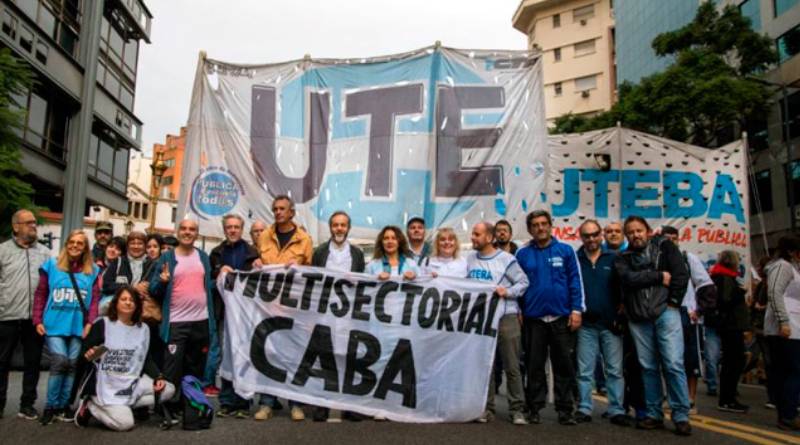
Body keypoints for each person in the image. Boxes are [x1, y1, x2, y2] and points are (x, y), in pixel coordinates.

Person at [614, 216, 691, 436]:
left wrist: (674, 303)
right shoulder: (623, 257)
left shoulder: (665, 247)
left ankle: (681, 415)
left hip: (666, 313)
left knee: (673, 364)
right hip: (638, 317)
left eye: (639, 230)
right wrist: (658, 276)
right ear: (626, 236)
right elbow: (628, 279)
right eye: (630, 232)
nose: (635, 235)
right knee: (648, 367)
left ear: (647, 231)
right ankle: (655, 414)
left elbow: (679, 275)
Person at [516, 210, 583, 426]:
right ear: (529, 229)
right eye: (535, 225)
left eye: (544, 223)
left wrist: (577, 310)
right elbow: (516, 284)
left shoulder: (565, 251)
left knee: (564, 366)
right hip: (533, 319)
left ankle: (565, 410)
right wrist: (518, 310)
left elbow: (575, 281)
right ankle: (533, 408)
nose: (540, 228)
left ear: (550, 225)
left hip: (561, 317)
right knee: (534, 366)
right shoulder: (522, 254)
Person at [74, 286, 174, 431]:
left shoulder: (144, 329)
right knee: (126, 424)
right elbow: (84, 356)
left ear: (137, 305)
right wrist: (89, 354)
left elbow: (145, 358)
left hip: (131, 381)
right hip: (106, 383)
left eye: (132, 300)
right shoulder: (103, 324)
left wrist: (158, 376)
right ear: (116, 303)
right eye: (124, 299)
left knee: (168, 389)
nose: (128, 303)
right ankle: (91, 406)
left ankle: (120, 406)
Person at [148, 219, 218, 412]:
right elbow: (153, 289)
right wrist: (162, 282)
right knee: (172, 368)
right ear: (178, 232)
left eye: (192, 229)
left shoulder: (203, 257)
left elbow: (207, 286)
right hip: (176, 323)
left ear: (197, 234)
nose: (187, 232)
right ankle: (168, 409)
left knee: (195, 368)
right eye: (184, 229)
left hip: (201, 322)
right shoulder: (166, 258)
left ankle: (190, 408)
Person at [33, 230, 101, 425]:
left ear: (85, 248)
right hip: (53, 324)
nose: (74, 246)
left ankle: (63, 406)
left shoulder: (93, 271)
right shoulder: (52, 266)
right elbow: (41, 294)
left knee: (71, 364)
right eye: (71, 242)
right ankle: (50, 406)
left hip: (78, 326)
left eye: (80, 243)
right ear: (66, 244)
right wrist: (37, 320)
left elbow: (95, 300)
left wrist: (90, 323)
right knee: (60, 361)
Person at [465, 221, 529, 425]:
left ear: (489, 237)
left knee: (511, 365)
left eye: (476, 234)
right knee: (487, 366)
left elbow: (524, 282)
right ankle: (487, 408)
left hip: (506, 317)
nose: (472, 238)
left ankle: (517, 409)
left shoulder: (507, 260)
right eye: (473, 234)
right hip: (482, 318)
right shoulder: (470, 259)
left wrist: (507, 292)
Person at [257, 195, 313, 421]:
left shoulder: (304, 240)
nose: (278, 212)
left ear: (291, 213)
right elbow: (259, 265)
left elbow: (311, 275)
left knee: (293, 356)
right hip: (268, 307)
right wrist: (257, 265)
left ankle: (296, 404)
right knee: (267, 354)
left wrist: (298, 269)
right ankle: (266, 403)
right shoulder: (264, 237)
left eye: (282, 209)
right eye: (275, 209)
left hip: (294, 308)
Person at [310, 211, 366, 423]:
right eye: (335, 225)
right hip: (325, 314)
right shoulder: (320, 252)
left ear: (348, 227)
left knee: (347, 358)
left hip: (349, 316)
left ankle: (348, 406)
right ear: (330, 228)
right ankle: (321, 406)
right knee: (324, 358)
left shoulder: (357, 254)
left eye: (343, 225)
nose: (339, 229)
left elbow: (364, 284)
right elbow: (312, 282)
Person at [574, 220, 627, 426]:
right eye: (587, 235)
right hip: (586, 324)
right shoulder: (576, 259)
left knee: (614, 370)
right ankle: (585, 407)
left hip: (610, 324)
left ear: (601, 235)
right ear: (581, 237)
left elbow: (624, 286)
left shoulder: (614, 258)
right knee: (585, 371)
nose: (591, 239)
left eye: (595, 234)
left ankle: (616, 409)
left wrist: (621, 311)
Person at [0, 210, 50, 420]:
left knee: (33, 361)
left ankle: (27, 404)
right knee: (1, 362)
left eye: (34, 223)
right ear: (16, 227)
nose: (33, 226)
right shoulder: (2, 251)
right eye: (28, 223)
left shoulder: (45, 253)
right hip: (6, 315)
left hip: (35, 319)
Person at [661, 226, 715, 414]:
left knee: (689, 360)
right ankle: (672, 396)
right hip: (664, 311)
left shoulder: (688, 258)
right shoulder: (658, 258)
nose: (670, 242)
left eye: (674, 239)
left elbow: (706, 285)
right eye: (666, 238)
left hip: (686, 313)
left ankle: (690, 399)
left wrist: (699, 311)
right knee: (668, 357)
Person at [210, 214, 260, 417]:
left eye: (236, 227)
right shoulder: (216, 253)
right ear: (224, 230)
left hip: (246, 314)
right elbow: (210, 281)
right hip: (224, 312)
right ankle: (227, 401)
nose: (232, 230)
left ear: (242, 229)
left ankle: (243, 403)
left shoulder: (252, 253)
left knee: (244, 356)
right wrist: (218, 272)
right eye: (229, 227)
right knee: (226, 356)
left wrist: (259, 267)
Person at [763, 235, 800, 431]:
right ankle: (788, 414)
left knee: (788, 371)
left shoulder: (791, 267)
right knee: (792, 371)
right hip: (785, 329)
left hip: (793, 327)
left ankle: (788, 412)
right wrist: (783, 322)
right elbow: (775, 292)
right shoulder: (783, 266)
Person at [709, 250, 749, 413]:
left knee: (733, 361)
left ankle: (728, 397)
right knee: (733, 361)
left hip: (730, 325)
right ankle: (727, 398)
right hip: (731, 326)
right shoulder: (725, 278)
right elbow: (725, 300)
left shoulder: (721, 276)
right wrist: (741, 293)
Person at [100, 232, 151, 316]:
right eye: (132, 243)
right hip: (116, 313)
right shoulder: (118, 262)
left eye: (140, 243)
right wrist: (132, 288)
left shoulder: (152, 264)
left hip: (141, 313)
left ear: (145, 246)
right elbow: (106, 285)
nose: (136, 246)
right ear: (127, 246)